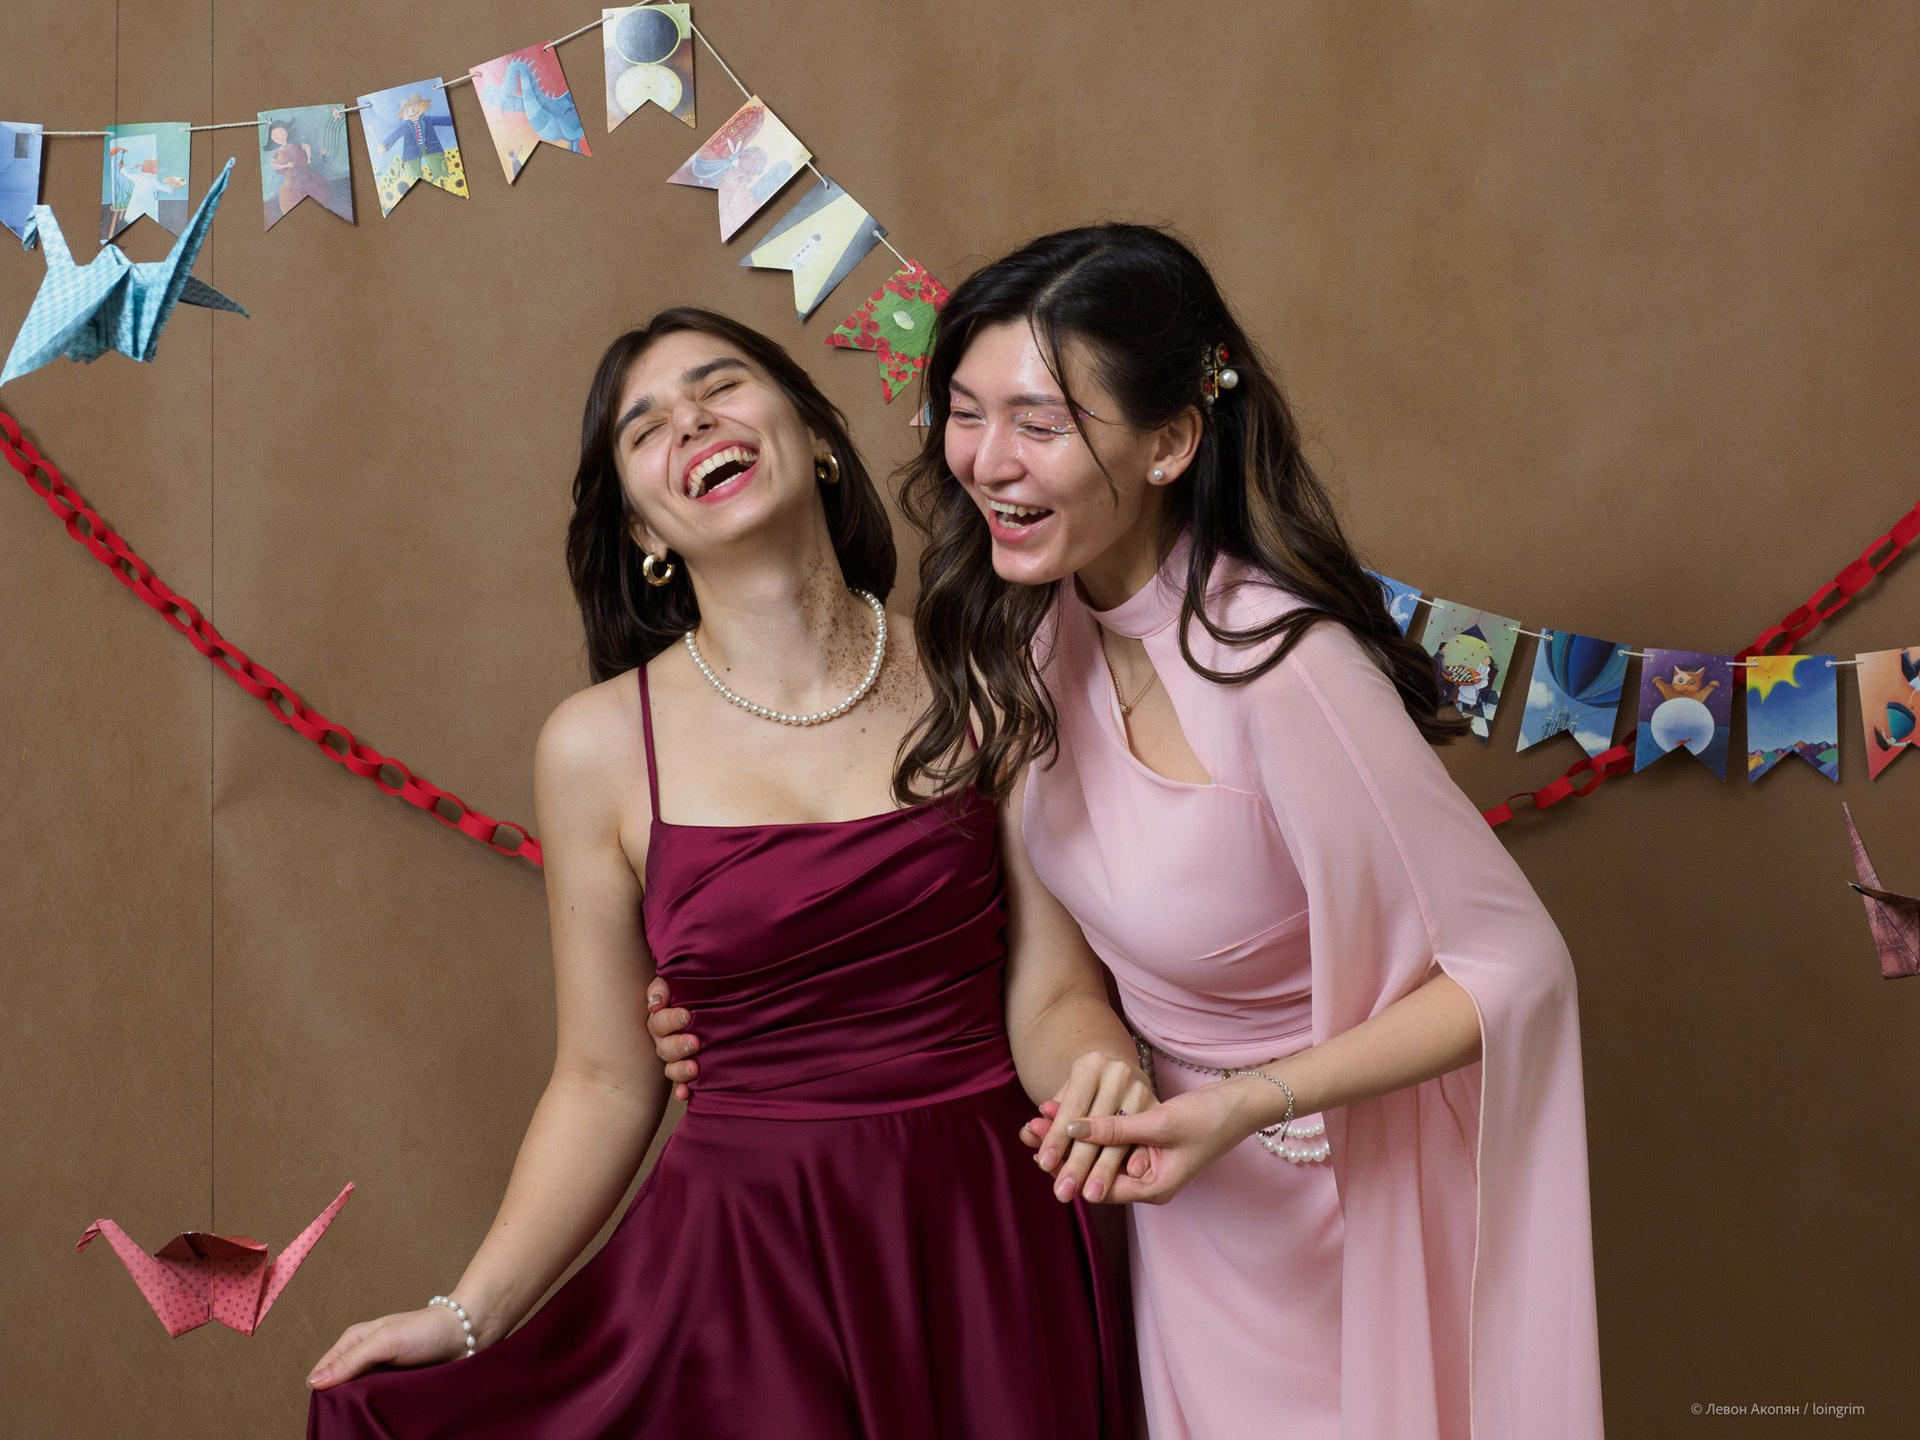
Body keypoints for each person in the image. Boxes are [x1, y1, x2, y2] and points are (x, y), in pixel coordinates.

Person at [652, 227, 1605, 1438]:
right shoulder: (1023, 644)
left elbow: (1515, 968)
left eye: (1041, 423)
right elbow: (1055, 985)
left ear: (1168, 442)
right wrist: (1092, 1081)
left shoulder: (1281, 665)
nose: (988, 460)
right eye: (965, 413)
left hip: (1338, 1216)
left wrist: (1247, 1104)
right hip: (1188, 1217)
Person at [305, 307, 1141, 1438]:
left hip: (984, 1232)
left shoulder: (987, 678)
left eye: (721, 386)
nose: (692, 421)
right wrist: (468, 1314)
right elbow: (605, 1078)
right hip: (749, 1266)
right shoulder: (595, 747)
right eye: (645, 427)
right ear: (642, 528)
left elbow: (1051, 992)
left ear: (817, 437)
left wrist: (1101, 1076)